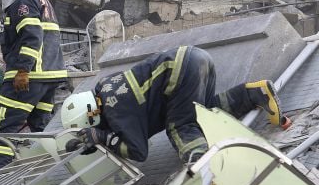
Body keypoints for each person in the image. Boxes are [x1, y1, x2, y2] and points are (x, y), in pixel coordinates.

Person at [61, 45, 287, 164]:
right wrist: (96, 140)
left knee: (181, 126)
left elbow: (138, 151)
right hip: (195, 58)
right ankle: (256, 93)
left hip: (181, 70)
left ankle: (203, 167)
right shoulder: (108, 89)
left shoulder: (114, 109)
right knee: (205, 113)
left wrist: (102, 139)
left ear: (90, 115)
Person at [0, 0, 69, 171]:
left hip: (29, 78)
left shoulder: (22, 2)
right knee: (41, 129)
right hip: (49, 77)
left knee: (6, 130)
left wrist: (22, 69)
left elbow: (31, 36)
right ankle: (49, 173)